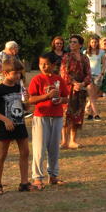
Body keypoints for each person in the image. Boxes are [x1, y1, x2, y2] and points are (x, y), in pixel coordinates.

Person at [0, 57, 31, 194]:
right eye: (15, 73)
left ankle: (24, 182)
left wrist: (27, 101)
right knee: (2, 154)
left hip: (19, 124)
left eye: (19, 73)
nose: (18, 76)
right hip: (6, 126)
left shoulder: (19, 87)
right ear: (6, 73)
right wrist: (5, 120)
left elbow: (25, 106)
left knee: (25, 152)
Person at [28, 52, 69, 188]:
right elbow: (31, 99)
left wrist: (59, 100)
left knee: (54, 148)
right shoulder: (37, 80)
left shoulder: (59, 80)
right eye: (41, 64)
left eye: (46, 64)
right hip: (41, 116)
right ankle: (37, 178)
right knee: (39, 148)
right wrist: (46, 96)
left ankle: (53, 175)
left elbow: (66, 97)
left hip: (56, 116)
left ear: (53, 65)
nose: (43, 67)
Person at [60, 34, 91, 149]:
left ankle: (73, 140)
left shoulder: (85, 58)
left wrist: (82, 84)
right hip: (68, 89)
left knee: (77, 115)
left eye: (74, 42)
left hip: (81, 90)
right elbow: (63, 73)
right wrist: (74, 83)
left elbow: (88, 74)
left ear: (80, 45)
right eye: (71, 42)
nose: (72, 44)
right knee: (66, 114)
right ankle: (64, 141)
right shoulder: (66, 57)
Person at [85, 36, 103, 120]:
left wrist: (101, 74)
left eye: (95, 42)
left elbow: (104, 64)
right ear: (89, 43)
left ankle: (90, 114)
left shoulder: (101, 52)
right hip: (88, 76)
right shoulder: (86, 52)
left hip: (98, 75)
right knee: (92, 96)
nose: (94, 44)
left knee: (94, 96)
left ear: (98, 43)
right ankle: (96, 114)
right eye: (92, 42)